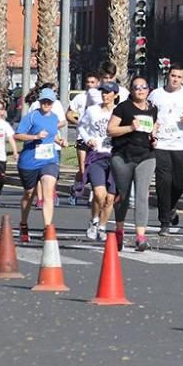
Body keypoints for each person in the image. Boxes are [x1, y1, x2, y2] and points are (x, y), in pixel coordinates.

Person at [149, 63, 183, 235]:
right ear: (168, 75)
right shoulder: (156, 95)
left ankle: (171, 207)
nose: (175, 79)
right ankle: (164, 221)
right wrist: (152, 127)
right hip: (161, 144)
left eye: (179, 77)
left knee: (179, 182)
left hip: (181, 145)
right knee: (163, 182)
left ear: (182, 78)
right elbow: (147, 113)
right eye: (173, 76)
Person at [107, 75, 158, 251]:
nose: (141, 90)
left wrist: (154, 137)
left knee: (142, 195)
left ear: (148, 90)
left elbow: (154, 127)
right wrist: (130, 128)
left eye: (144, 87)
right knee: (124, 195)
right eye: (137, 87)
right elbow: (110, 130)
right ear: (132, 90)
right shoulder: (123, 108)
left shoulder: (153, 109)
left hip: (146, 155)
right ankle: (120, 229)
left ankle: (140, 236)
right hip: (123, 156)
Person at [14, 88, 64, 242]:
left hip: (49, 160)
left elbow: (52, 133)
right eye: (44, 101)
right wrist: (35, 136)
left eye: (49, 102)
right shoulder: (31, 116)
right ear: (40, 102)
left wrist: (59, 141)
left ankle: (47, 228)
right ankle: (23, 223)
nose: (46, 104)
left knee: (48, 192)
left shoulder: (54, 117)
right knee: (29, 194)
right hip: (29, 161)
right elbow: (17, 135)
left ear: (53, 103)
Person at [78, 80, 119, 241]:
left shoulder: (120, 111)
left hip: (115, 157)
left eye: (108, 92)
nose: (104, 95)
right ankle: (94, 221)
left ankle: (102, 226)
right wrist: (88, 139)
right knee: (99, 193)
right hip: (97, 156)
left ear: (115, 95)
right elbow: (81, 126)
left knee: (110, 198)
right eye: (102, 92)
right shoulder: (92, 110)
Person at [67, 71, 100, 205]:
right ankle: (75, 190)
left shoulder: (102, 98)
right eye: (88, 82)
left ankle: (93, 196)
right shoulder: (80, 98)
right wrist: (78, 123)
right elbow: (68, 114)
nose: (90, 85)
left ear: (98, 83)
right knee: (82, 169)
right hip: (82, 137)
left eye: (93, 82)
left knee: (95, 168)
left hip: (97, 139)